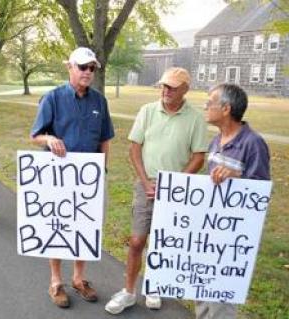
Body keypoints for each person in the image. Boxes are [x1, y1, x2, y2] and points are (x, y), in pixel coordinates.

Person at [105, 67, 208, 314]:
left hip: (177, 189)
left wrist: (174, 185)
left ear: (185, 89)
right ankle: (128, 292)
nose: (166, 91)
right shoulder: (147, 111)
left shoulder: (195, 118)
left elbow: (198, 156)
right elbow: (134, 148)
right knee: (138, 240)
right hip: (146, 184)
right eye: (164, 86)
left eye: (172, 87)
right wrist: (146, 181)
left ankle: (154, 287)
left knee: (164, 243)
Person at [30, 47, 115, 308]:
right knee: (57, 225)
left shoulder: (99, 101)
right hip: (58, 177)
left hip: (88, 179)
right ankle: (56, 281)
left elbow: (104, 139)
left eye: (92, 68)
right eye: (83, 67)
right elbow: (35, 136)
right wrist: (50, 138)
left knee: (84, 228)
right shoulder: (53, 98)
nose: (88, 72)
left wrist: (102, 170)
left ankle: (79, 279)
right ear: (70, 67)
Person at [195, 83, 270, 319]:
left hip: (233, 238)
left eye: (209, 103)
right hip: (210, 231)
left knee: (221, 303)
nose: (205, 107)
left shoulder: (253, 143)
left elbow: (260, 195)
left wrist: (237, 176)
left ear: (226, 109)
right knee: (202, 292)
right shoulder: (216, 142)